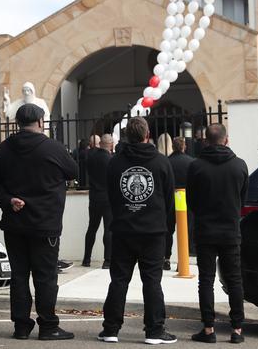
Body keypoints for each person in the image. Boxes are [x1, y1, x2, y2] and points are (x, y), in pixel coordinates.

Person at [0, 104, 78, 341]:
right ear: (40, 122)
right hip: (45, 223)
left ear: (18, 123)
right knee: (45, 276)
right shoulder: (52, 148)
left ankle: (21, 326)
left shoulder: (4, 149)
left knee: (19, 276)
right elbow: (73, 170)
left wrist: (7, 200)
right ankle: (48, 326)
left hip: (15, 223)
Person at [99, 117, 177, 345]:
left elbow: (112, 196)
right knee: (152, 281)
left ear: (126, 136)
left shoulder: (114, 163)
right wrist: (165, 227)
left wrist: (122, 216)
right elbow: (169, 199)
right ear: (147, 134)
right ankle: (154, 330)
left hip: (123, 229)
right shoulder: (162, 162)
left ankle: (111, 329)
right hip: (153, 231)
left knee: (119, 280)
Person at [186, 124, 248, 344]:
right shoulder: (240, 166)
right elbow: (243, 199)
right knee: (235, 280)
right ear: (226, 140)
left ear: (206, 141)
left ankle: (209, 329)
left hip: (205, 230)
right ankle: (237, 329)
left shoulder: (196, 166)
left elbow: (191, 200)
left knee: (206, 280)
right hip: (231, 230)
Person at [82, 134, 113, 269]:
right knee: (108, 229)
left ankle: (86, 259)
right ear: (111, 145)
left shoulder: (91, 157)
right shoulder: (111, 160)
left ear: (100, 144)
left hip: (94, 197)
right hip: (107, 198)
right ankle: (107, 260)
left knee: (92, 228)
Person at [165, 137, 195, 271]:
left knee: (168, 230)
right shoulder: (191, 162)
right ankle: (182, 261)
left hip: (170, 199)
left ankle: (166, 259)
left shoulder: (166, 161)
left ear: (173, 147)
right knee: (186, 231)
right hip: (186, 198)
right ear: (184, 147)